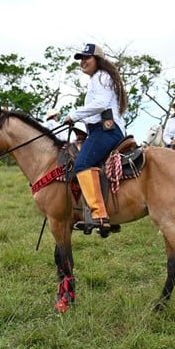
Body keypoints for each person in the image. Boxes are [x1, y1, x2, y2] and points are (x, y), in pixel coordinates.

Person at [62, 43, 127, 235]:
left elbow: (100, 104)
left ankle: (98, 215)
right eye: (81, 59)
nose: (83, 62)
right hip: (99, 130)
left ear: (97, 59)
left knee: (81, 164)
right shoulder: (100, 78)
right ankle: (110, 215)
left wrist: (74, 115)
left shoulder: (101, 76)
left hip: (106, 131)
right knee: (96, 169)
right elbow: (98, 109)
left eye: (87, 58)